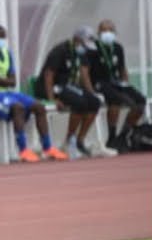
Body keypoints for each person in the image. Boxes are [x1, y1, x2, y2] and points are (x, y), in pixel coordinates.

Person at [0, 25, 68, 162]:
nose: (0, 40)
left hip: (6, 93)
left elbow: (13, 81)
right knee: (18, 107)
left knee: (39, 106)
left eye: (2, 37)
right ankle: (23, 150)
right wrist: (3, 80)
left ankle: (48, 148)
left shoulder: (7, 53)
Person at [37, 26, 104, 159]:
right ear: (77, 40)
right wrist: (51, 99)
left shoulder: (82, 52)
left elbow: (84, 75)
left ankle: (80, 140)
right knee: (80, 103)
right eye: (85, 44)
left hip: (68, 87)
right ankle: (69, 140)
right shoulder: (60, 50)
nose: (86, 48)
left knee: (94, 102)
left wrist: (91, 92)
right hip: (52, 88)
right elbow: (48, 75)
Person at [91, 19, 143, 153]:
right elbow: (84, 70)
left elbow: (122, 69)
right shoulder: (93, 48)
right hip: (99, 82)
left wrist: (125, 83)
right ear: (99, 32)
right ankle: (112, 137)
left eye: (110, 30)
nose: (108, 33)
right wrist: (90, 89)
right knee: (116, 100)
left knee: (140, 101)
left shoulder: (118, 48)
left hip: (116, 82)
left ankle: (123, 135)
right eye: (104, 30)